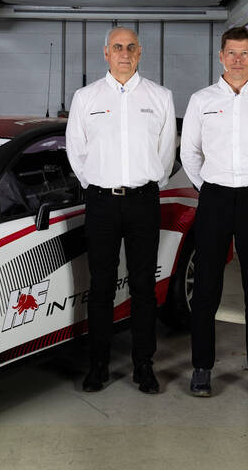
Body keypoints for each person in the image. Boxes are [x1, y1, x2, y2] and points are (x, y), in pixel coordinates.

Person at [66, 26, 176, 394]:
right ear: (106, 53)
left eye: (130, 47)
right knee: (101, 287)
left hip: (144, 201)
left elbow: (166, 153)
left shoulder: (160, 97)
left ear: (140, 52)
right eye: (117, 47)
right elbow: (76, 151)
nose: (124, 53)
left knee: (144, 286)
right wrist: (98, 184)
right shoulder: (86, 98)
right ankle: (98, 366)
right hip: (101, 203)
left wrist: (146, 184)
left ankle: (144, 365)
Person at [180, 26, 248, 398]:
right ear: (221, 56)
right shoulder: (201, 100)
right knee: (206, 287)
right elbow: (189, 152)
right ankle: (201, 368)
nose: (237, 60)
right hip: (214, 198)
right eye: (231, 52)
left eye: (244, 53)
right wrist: (210, 186)